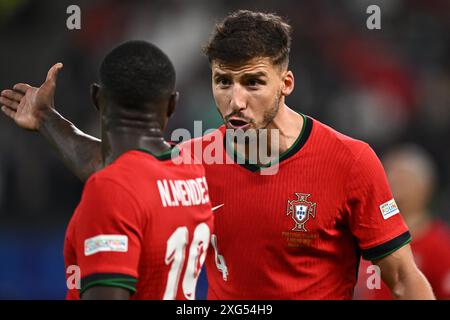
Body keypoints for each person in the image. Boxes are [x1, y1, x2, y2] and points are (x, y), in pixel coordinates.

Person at [1, 10, 434, 299]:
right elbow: (115, 170)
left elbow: (401, 276)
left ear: (286, 84)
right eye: (223, 82)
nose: (235, 100)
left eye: (252, 82)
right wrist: (48, 120)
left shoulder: (350, 161)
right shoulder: (197, 158)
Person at [1, 40, 213, 299]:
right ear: (172, 104)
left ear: (96, 98)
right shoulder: (190, 168)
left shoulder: (111, 189)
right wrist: (46, 117)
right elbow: (113, 170)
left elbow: (115, 183)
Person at [355, 144, 450, 299]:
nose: (395, 187)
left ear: (425, 187)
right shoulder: (363, 237)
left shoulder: (440, 246)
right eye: (389, 178)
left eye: (403, 180)